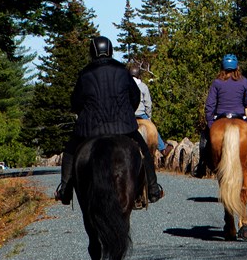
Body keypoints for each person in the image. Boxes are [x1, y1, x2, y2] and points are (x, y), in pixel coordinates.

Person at [53, 36, 164, 206]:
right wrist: (125, 113)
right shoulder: (122, 71)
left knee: (70, 150)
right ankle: (153, 188)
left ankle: (65, 190)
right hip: (123, 126)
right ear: (110, 51)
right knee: (143, 149)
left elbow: (75, 103)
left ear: (92, 52)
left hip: (91, 128)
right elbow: (134, 97)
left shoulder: (84, 74)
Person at [196, 53, 247, 177]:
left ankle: (201, 166)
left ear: (222, 67)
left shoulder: (217, 83)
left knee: (204, 137)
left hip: (219, 116)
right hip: (239, 116)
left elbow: (209, 105)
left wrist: (210, 123)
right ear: (237, 67)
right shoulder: (244, 82)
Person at [129, 61, 166, 152]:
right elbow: (148, 104)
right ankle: (162, 148)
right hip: (141, 114)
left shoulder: (126, 85)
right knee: (154, 131)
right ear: (139, 75)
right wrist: (149, 116)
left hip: (129, 116)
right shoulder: (143, 86)